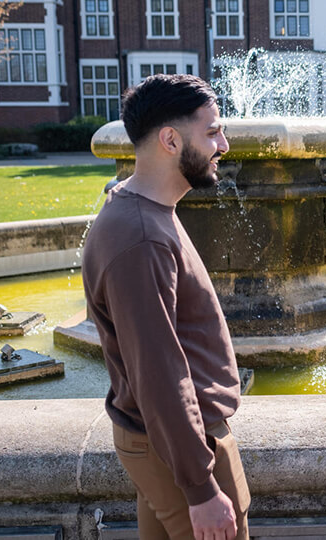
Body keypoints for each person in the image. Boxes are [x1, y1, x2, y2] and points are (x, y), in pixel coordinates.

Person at [82, 74, 249, 540]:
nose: (224, 144)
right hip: (185, 450)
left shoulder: (143, 212)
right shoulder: (141, 237)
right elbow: (158, 371)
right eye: (212, 131)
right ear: (171, 140)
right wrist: (200, 487)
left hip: (166, 445)